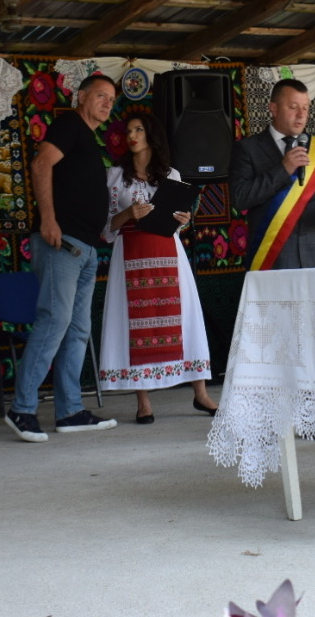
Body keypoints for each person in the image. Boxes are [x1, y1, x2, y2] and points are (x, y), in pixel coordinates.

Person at [4, 73, 120, 442]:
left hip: (85, 247)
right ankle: (22, 408)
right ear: (81, 97)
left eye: (111, 99)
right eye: (100, 95)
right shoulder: (70, 125)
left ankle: (69, 411)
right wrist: (48, 219)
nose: (107, 103)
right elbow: (41, 165)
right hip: (62, 242)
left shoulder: (88, 137)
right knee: (54, 320)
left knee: (77, 329)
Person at [96, 113, 217, 424]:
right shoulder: (115, 177)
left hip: (168, 255)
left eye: (138, 129)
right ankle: (143, 401)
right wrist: (128, 213)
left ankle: (200, 393)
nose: (132, 136)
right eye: (128, 131)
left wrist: (183, 220)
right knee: (134, 323)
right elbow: (106, 229)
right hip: (130, 256)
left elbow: (176, 219)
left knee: (185, 318)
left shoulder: (171, 175)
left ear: (151, 135)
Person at [230, 78, 315, 270]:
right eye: (293, 107)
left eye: (305, 108)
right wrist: (283, 170)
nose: (301, 115)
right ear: (274, 109)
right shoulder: (248, 148)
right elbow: (240, 198)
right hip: (273, 256)